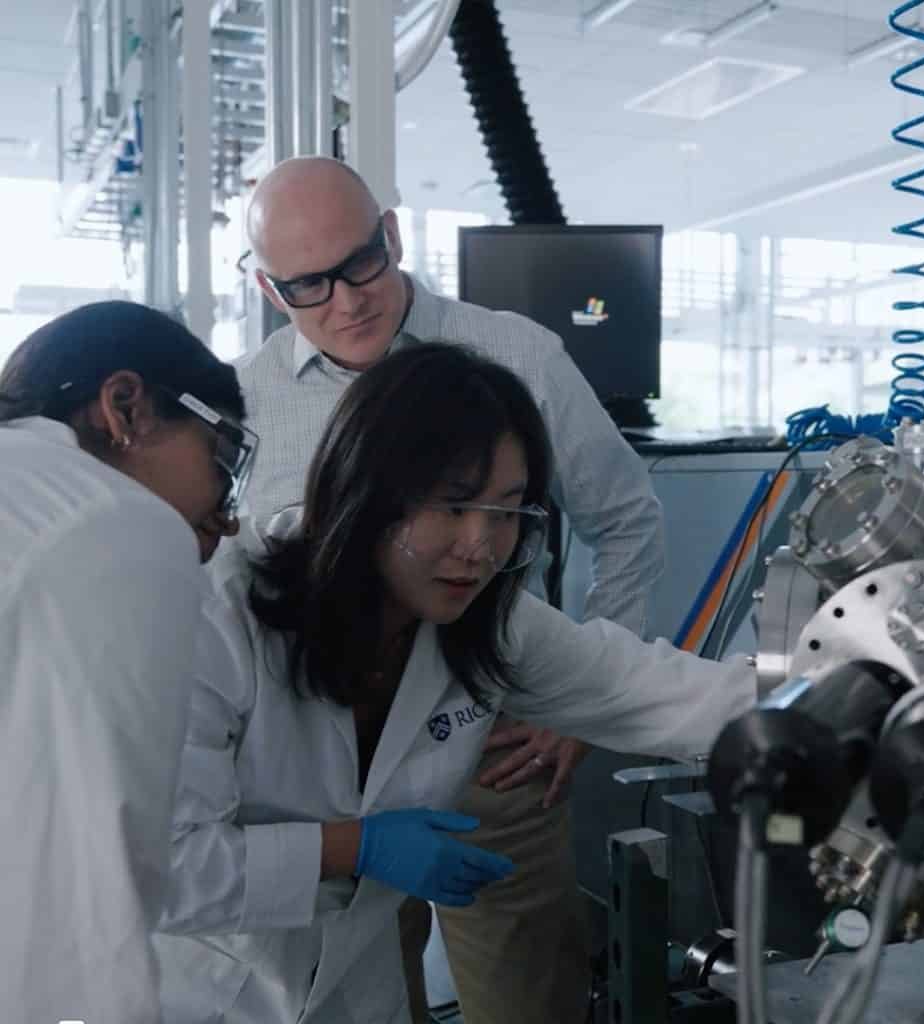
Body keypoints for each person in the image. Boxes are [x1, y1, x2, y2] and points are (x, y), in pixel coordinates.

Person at [154, 342, 751, 1024]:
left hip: (351, 990)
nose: (480, 545)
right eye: (453, 505)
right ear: (368, 490)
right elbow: (163, 868)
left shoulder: (486, 620)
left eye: (506, 512)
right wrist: (357, 845)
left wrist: (846, 701)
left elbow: (652, 691)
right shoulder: (219, 616)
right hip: (199, 990)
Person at [238, 155, 666, 1022]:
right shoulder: (244, 403)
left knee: (527, 1001)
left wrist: (572, 708)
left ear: (392, 235)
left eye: (361, 263)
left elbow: (626, 519)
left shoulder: (515, 356)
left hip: (491, 748)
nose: (347, 300)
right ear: (269, 291)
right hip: (324, 782)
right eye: (308, 286)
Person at [0, 300, 255, 1024]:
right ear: (125, 408)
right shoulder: (119, 518)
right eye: (224, 456)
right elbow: (107, 848)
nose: (230, 513)